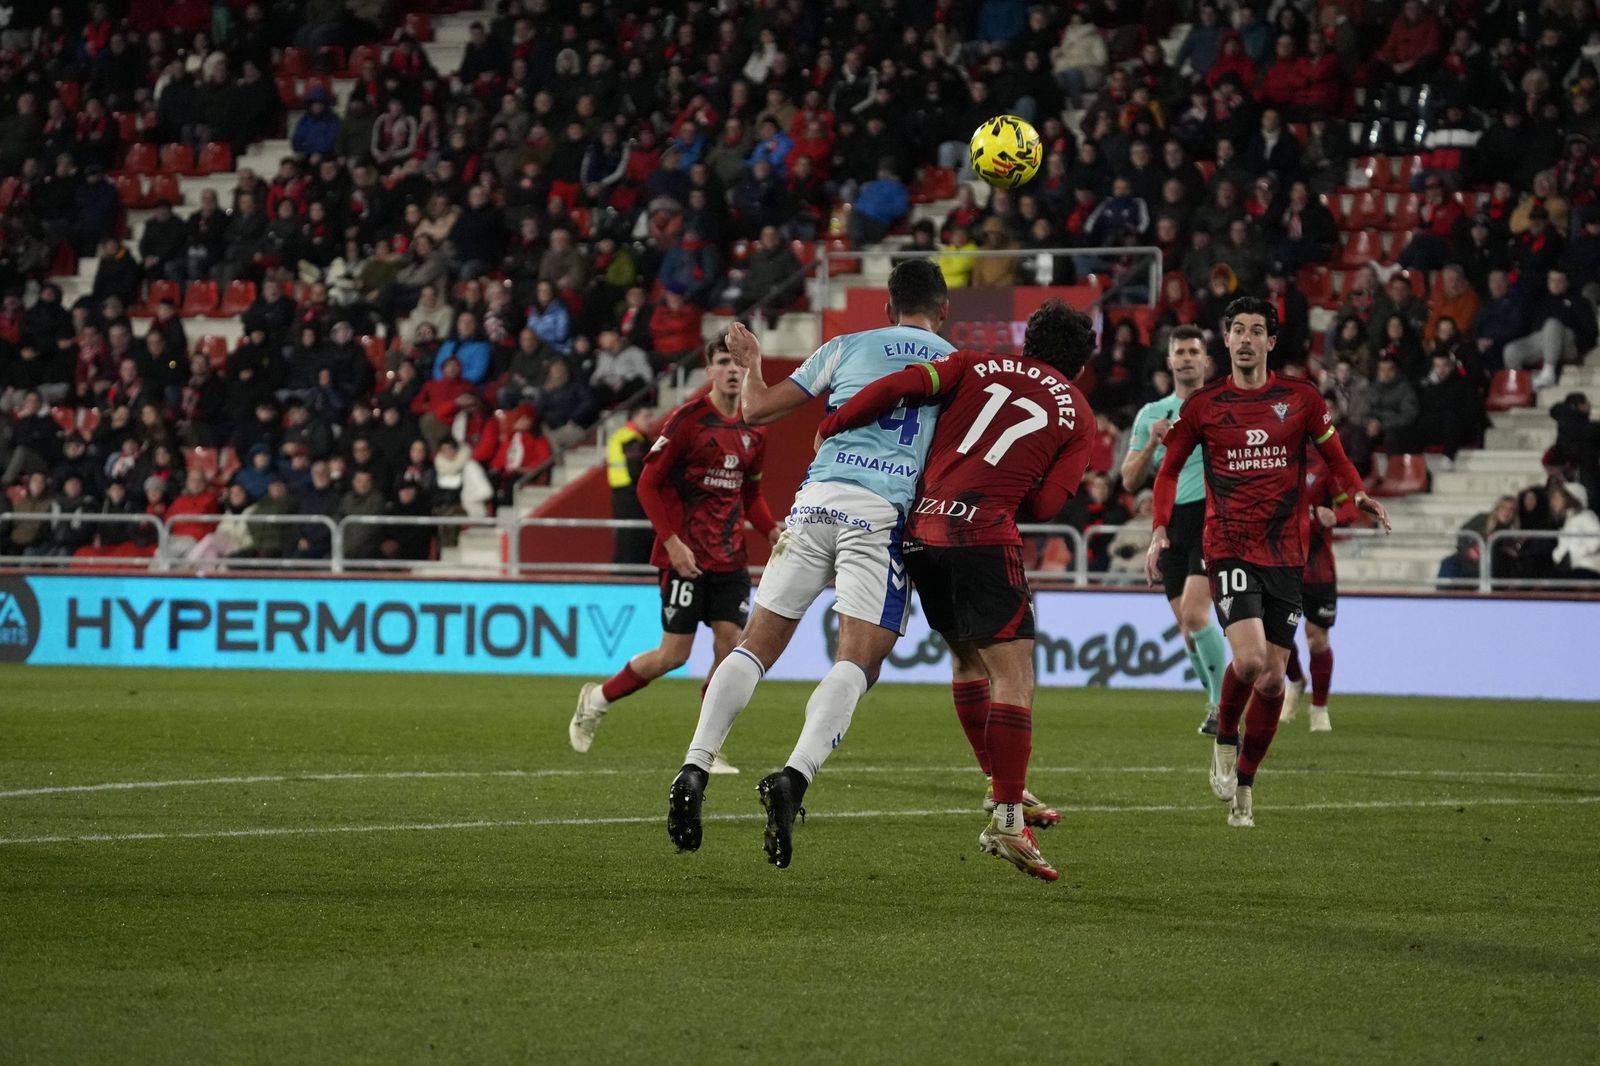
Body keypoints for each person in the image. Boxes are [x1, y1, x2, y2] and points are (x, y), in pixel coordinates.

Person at [667, 259, 957, 868]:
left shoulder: (845, 346)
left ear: (887, 308)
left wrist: (753, 364)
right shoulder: (956, 364)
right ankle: (793, 777)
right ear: (943, 310)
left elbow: (756, 410)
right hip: (878, 514)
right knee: (858, 661)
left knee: (754, 645)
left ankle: (695, 764)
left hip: (813, 503)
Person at [816, 299, 1098, 882]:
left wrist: (832, 424)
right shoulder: (1078, 412)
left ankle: (1000, 786)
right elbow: (1048, 504)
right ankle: (1008, 819)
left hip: (922, 531)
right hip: (984, 535)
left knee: (968, 661)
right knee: (1014, 677)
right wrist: (1012, 482)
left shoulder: (972, 363)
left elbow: (897, 386)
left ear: (1027, 342)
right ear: (1080, 365)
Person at [1145, 297, 1391, 828]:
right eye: (1238, 330)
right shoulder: (1204, 406)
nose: (1246, 339)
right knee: (1252, 661)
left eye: (1257, 330)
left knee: (1275, 682)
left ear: (1271, 342)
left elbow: (1336, 457)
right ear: (1226, 340)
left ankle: (1246, 784)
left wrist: (1357, 493)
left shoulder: (1301, 399)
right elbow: (1168, 472)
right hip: (1229, 545)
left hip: (1286, 553)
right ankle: (1224, 737)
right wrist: (1160, 527)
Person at [570, 337, 778, 766]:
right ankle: (597, 699)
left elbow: (750, 494)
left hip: (731, 559)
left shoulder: (755, 427)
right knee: (673, 656)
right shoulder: (687, 420)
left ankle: (707, 748)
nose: (733, 370)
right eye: (724, 362)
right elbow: (647, 485)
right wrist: (671, 542)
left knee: (730, 647)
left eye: (739, 363)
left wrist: (772, 530)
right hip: (685, 558)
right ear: (709, 370)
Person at [1121, 326, 1229, 735]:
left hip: (1209, 518)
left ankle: (1222, 708)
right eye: (1179, 352)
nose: (1186, 358)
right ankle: (1217, 704)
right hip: (1169, 525)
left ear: (1206, 361)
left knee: (1196, 615)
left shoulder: (1220, 406)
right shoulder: (1152, 414)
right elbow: (1129, 480)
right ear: (1169, 361)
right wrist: (1153, 443)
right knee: (1187, 630)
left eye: (1193, 352)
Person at [1281, 445, 1344, 732]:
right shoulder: (1271, 458)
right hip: (1280, 563)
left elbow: (1351, 503)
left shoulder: (1324, 464)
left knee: (1317, 638)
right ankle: (1295, 681)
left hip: (1318, 568)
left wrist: (1336, 515)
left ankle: (1319, 708)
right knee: (1276, 635)